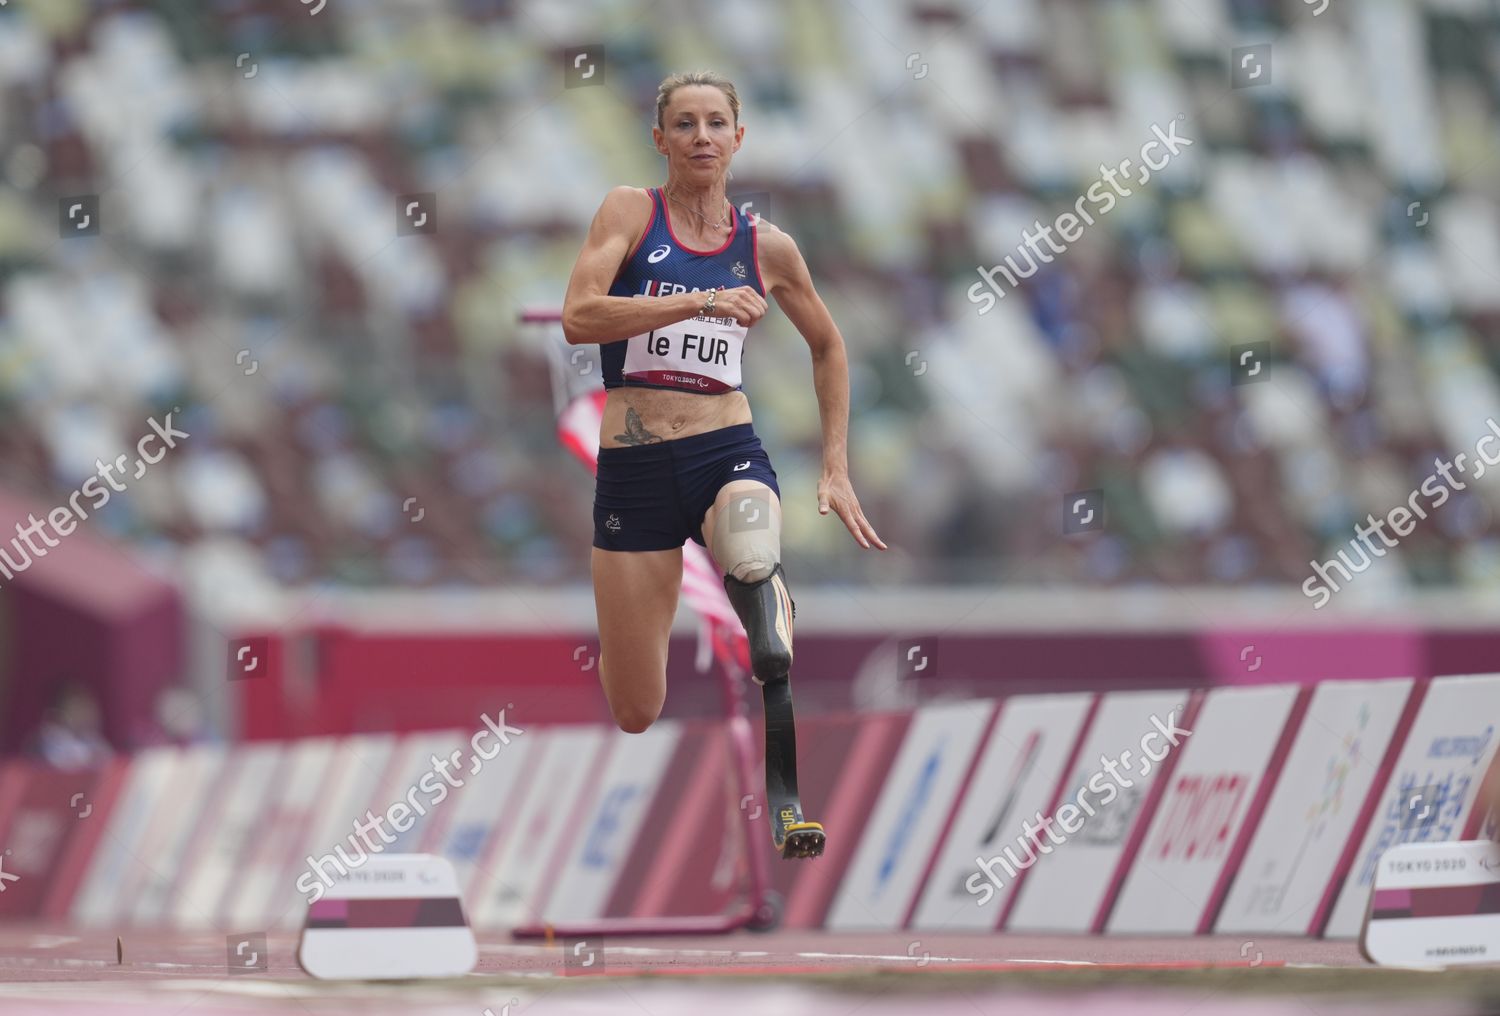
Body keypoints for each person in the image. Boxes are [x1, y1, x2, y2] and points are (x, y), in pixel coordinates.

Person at [560, 70, 886, 858]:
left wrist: (836, 466)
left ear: (739, 139)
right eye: (684, 124)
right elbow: (579, 317)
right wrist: (695, 302)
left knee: (751, 555)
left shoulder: (766, 247)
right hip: (634, 472)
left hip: (722, 448)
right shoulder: (630, 213)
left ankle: (785, 789)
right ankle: (719, 610)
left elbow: (830, 345)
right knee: (636, 706)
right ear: (661, 139)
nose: (701, 136)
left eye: (715, 123)